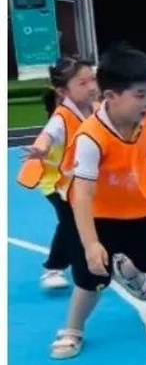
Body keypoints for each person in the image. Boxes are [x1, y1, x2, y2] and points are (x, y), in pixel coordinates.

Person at [51, 43, 146, 359]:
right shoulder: (91, 137)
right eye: (140, 95)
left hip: (143, 204)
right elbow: (83, 194)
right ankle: (72, 330)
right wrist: (91, 244)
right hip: (97, 214)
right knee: (92, 277)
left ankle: (130, 270)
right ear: (111, 96)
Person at [16, 57, 98, 290]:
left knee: (89, 217)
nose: (92, 86)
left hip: (80, 180)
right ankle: (54, 268)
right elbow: (47, 135)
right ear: (63, 91)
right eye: (83, 83)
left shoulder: (96, 108)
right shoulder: (61, 118)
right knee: (71, 221)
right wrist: (41, 148)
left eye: (93, 79)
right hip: (56, 183)